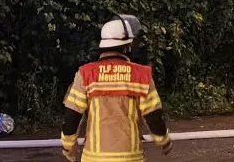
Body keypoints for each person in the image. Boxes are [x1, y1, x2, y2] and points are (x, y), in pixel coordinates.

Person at [61, 16, 171, 162]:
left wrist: (68, 147)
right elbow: (153, 115)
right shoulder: (141, 75)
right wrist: (164, 141)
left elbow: (72, 115)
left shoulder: (86, 74)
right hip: (130, 157)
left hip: (94, 158)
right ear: (127, 47)